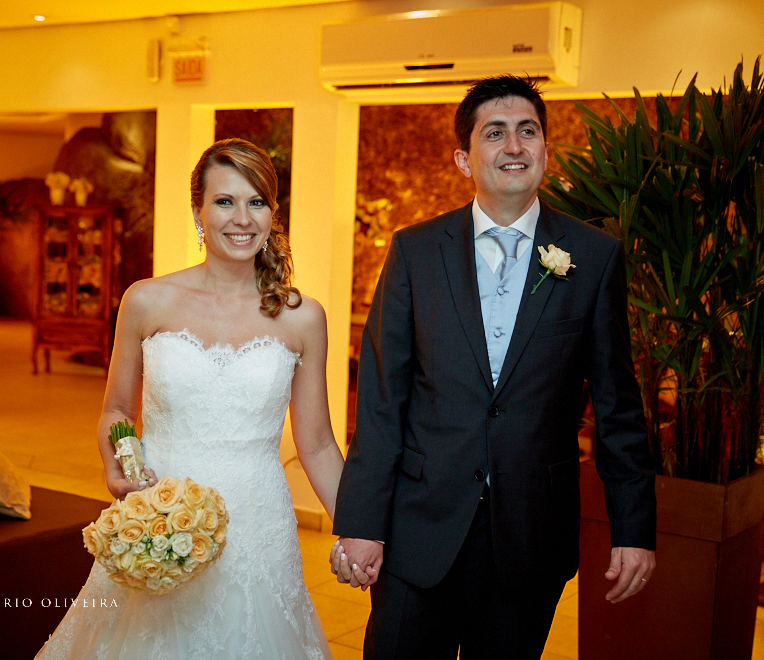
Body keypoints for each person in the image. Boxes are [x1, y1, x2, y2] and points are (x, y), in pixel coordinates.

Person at [330, 75, 657, 659]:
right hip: (418, 532)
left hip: (531, 535)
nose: (514, 146)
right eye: (495, 133)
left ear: (546, 152)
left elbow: (618, 407)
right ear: (464, 158)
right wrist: (361, 521)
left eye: (527, 132)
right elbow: (381, 400)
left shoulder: (594, 256)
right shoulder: (414, 251)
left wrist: (633, 531)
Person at [37, 138, 344, 660]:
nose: (242, 218)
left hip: (258, 523)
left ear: (273, 212)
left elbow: (315, 444)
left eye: (257, 201)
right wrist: (119, 471)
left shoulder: (302, 317)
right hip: (159, 515)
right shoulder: (146, 300)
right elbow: (116, 411)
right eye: (225, 201)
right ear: (198, 210)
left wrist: (358, 530)